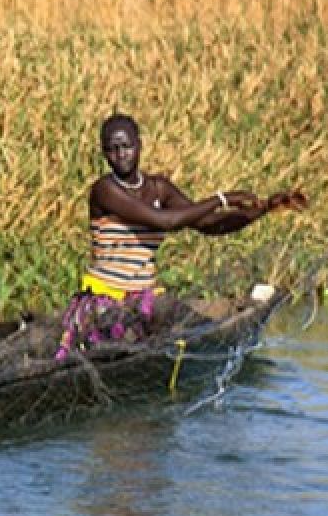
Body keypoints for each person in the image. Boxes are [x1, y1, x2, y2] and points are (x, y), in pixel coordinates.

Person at [57, 114, 307, 358]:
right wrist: (223, 199)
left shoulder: (158, 188)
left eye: (127, 146)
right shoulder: (105, 190)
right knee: (164, 319)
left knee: (180, 318)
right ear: (104, 153)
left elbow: (208, 225)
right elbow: (167, 221)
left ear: (140, 145)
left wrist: (263, 208)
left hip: (144, 296)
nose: (121, 154)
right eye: (112, 149)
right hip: (106, 298)